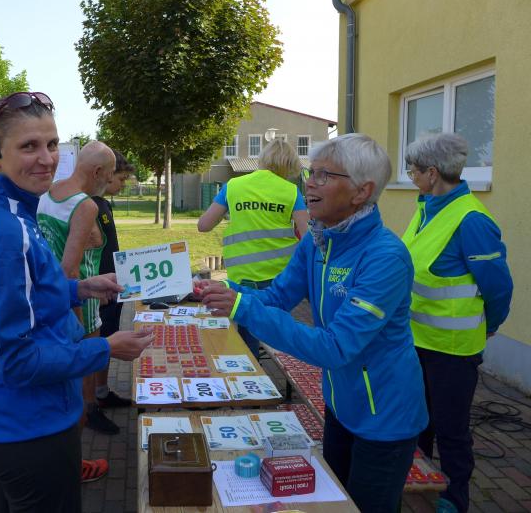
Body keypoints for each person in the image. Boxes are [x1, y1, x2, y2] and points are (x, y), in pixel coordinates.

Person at [199, 134, 428, 512]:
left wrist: (243, 307)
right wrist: (226, 291)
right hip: (341, 405)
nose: (310, 184)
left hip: (385, 418)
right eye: (311, 173)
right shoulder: (319, 241)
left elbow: (335, 348)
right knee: (333, 503)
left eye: (325, 175)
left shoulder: (385, 256)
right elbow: (276, 297)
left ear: (362, 191)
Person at [0, 91, 154, 512]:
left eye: (51, 144)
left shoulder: (7, 207)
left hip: (13, 421)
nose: (46, 159)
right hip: (28, 426)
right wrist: (105, 348)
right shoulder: (4, 232)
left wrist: (79, 289)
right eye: (29, 146)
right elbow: (15, 360)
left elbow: (16, 292)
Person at [402, 133, 513, 513]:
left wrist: (490, 325)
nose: (411, 176)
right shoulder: (426, 209)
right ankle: (418, 482)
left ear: (432, 173)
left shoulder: (472, 220)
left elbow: (498, 288)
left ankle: (454, 498)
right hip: (416, 341)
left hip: (451, 350)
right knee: (418, 422)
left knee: (451, 429)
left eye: (413, 170)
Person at [37, 140, 120, 440]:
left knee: (63, 382)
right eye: (109, 174)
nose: (110, 181)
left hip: (48, 295)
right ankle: (77, 445)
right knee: (83, 379)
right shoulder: (85, 205)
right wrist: (77, 323)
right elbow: (70, 271)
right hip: (79, 302)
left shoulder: (49, 192)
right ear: (97, 171)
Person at [197, 138, 309, 355]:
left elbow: (204, 225)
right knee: (276, 333)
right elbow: (307, 238)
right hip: (279, 279)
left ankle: (249, 370)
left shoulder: (234, 186)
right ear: (289, 165)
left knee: (247, 340)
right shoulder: (291, 191)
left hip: (242, 277)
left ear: (263, 159)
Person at [91, 150, 136, 414]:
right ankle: (92, 400)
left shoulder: (102, 204)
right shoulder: (89, 206)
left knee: (107, 337)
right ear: (106, 174)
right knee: (99, 341)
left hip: (112, 286)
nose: (122, 184)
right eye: (121, 178)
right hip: (99, 290)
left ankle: (101, 391)